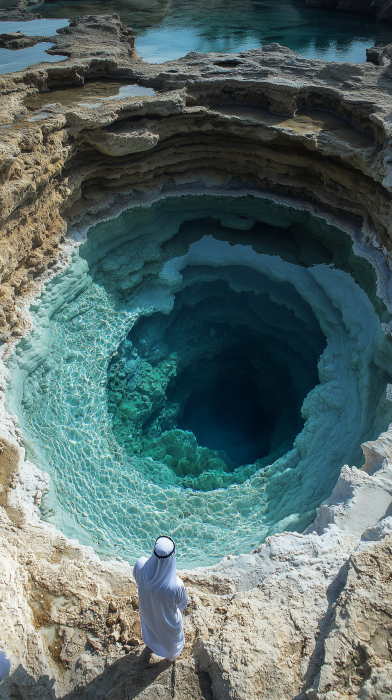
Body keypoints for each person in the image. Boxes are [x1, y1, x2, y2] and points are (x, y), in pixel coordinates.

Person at [133, 536, 189, 662]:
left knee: (151, 634)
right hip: (168, 624)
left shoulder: (140, 564)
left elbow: (138, 581)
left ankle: (151, 647)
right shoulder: (176, 585)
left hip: (147, 613)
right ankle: (171, 659)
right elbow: (182, 605)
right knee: (172, 649)